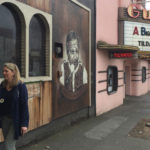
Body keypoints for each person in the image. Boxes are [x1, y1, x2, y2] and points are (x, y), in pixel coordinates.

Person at [0, 63, 29, 150]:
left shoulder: (21, 86)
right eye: (3, 71)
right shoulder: (2, 85)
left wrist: (24, 124)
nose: (4, 73)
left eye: (6, 71)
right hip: (4, 119)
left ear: (13, 72)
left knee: (8, 144)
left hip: (15, 120)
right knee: (9, 143)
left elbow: (24, 106)